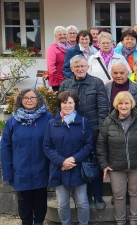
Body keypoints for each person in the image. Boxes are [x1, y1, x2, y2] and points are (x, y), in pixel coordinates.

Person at [59, 55, 109, 210]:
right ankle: (85, 197)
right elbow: (60, 109)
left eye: (82, 66)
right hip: (72, 133)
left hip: (93, 131)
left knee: (95, 164)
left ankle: (98, 196)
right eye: (76, 66)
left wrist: (100, 131)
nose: (80, 69)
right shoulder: (65, 84)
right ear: (71, 68)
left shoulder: (97, 83)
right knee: (79, 164)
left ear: (88, 67)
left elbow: (103, 109)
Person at [97, 91, 137, 225]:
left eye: (126, 103)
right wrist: (104, 164)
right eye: (120, 103)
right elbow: (101, 144)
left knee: (135, 193)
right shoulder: (109, 121)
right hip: (116, 166)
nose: (123, 106)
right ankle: (120, 222)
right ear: (116, 105)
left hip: (136, 164)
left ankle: (134, 221)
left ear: (131, 104)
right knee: (118, 195)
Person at [1, 89, 53, 225]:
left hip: (42, 167)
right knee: (24, 200)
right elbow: (5, 147)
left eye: (32, 98)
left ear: (38, 99)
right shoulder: (12, 121)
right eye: (25, 98)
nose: (29, 100)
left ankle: (39, 222)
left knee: (40, 198)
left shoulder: (48, 118)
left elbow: (54, 142)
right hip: (20, 169)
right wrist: (8, 171)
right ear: (20, 100)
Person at [43, 91, 92, 225]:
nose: (67, 105)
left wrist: (73, 159)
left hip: (78, 167)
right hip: (59, 168)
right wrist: (62, 161)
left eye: (70, 102)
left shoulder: (83, 122)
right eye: (64, 103)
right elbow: (47, 147)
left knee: (82, 202)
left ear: (75, 104)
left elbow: (88, 145)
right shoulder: (52, 124)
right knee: (62, 203)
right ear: (60, 104)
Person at [47, 26, 68, 91]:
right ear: (55, 36)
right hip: (58, 83)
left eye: (64, 34)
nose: (62, 36)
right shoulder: (52, 49)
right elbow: (51, 68)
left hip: (68, 80)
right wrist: (62, 80)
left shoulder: (68, 48)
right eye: (60, 34)